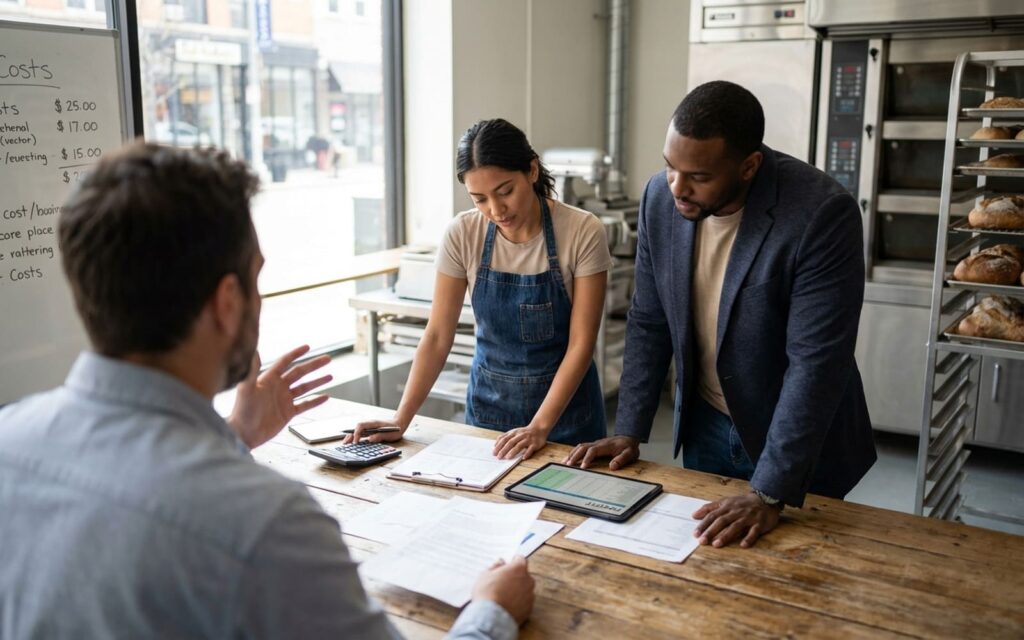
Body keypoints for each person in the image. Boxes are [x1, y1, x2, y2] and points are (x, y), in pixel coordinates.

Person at [0, 143, 534, 638]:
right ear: (227, 301)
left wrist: (236, 434)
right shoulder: (264, 525)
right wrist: (492, 612)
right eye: (255, 280)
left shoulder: (9, 440)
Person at [564, 81, 877, 548]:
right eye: (671, 166)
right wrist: (629, 429)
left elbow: (816, 363)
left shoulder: (821, 213)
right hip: (706, 424)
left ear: (749, 166)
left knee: (799, 581)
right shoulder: (658, 198)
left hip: (795, 440)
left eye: (699, 176)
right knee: (705, 564)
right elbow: (649, 320)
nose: (677, 187)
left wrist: (770, 491)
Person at [348, 119, 612, 460]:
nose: (496, 210)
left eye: (505, 191)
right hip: (489, 414)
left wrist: (539, 427)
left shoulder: (581, 231)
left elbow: (581, 344)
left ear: (531, 170)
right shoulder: (462, 234)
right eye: (480, 199)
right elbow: (438, 335)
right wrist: (401, 418)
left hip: (567, 419)